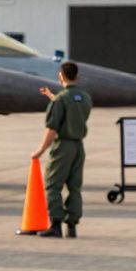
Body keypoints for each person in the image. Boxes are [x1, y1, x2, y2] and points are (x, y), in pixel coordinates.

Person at [31, 60, 92, 238]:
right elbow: (72, 109)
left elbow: (52, 128)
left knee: (52, 185)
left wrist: (40, 151)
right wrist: (52, 96)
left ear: (60, 76)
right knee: (74, 186)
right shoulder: (85, 97)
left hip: (63, 147)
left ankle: (55, 225)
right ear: (78, 76)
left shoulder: (61, 100)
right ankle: (72, 226)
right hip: (78, 146)